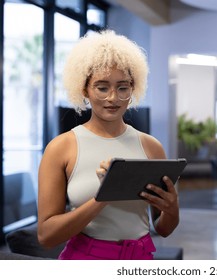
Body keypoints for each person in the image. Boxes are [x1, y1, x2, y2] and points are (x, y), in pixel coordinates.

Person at [37, 30, 179, 260]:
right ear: (85, 89)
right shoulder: (61, 148)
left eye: (122, 88)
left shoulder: (152, 147)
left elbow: (163, 229)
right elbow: (46, 236)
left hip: (140, 258)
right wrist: (103, 197)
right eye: (102, 87)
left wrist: (172, 209)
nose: (113, 98)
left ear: (132, 89)